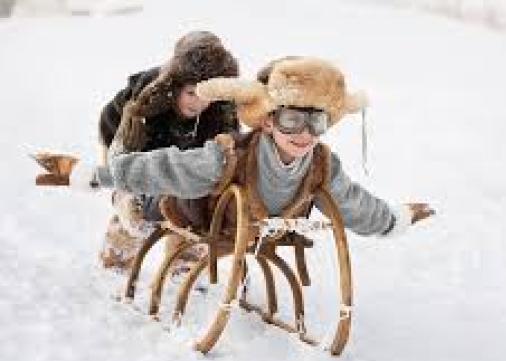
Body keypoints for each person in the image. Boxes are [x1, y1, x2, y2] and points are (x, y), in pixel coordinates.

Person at [42, 56, 434, 240]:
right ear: (267, 120)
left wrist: (393, 219)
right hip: (200, 213)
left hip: (262, 228)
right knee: (157, 198)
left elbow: (352, 202)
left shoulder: (320, 165)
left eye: (315, 122)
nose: (304, 134)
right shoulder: (231, 154)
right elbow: (168, 167)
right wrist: (97, 175)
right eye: (292, 120)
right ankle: (125, 215)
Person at [95, 30, 239, 270]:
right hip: (128, 143)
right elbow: (124, 159)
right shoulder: (149, 99)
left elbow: (230, 149)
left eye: (206, 96)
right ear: (176, 84)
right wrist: (127, 191)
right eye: (191, 93)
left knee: (192, 205)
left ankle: (184, 263)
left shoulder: (222, 107)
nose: (198, 103)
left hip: (186, 156)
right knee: (136, 208)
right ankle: (117, 259)